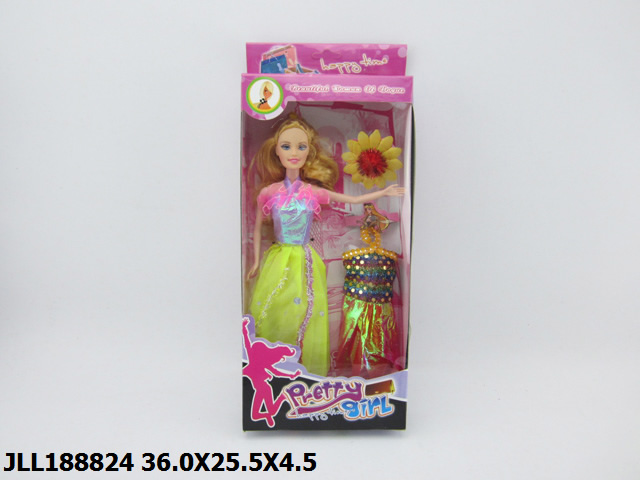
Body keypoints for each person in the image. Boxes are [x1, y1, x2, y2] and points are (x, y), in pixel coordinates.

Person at [247, 115, 403, 376]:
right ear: (276, 151)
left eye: (301, 147)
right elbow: (255, 228)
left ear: (309, 152)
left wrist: (384, 193)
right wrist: (254, 262)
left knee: (307, 310)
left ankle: (303, 366)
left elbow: (353, 199)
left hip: (306, 257)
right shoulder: (269, 192)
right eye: (286, 146)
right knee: (274, 307)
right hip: (279, 256)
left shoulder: (312, 192)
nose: (293, 153)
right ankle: (269, 363)